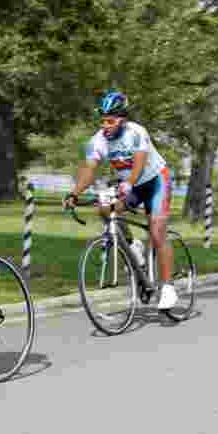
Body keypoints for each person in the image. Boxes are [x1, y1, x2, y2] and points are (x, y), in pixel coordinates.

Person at [62, 90, 178, 310]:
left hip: (155, 181)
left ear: (122, 120)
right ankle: (133, 247)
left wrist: (129, 183)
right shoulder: (97, 141)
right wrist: (74, 193)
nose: (105, 125)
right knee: (105, 210)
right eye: (103, 120)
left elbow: (140, 163)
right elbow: (89, 170)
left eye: (110, 120)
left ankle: (168, 287)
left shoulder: (136, 132)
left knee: (156, 229)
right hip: (129, 185)